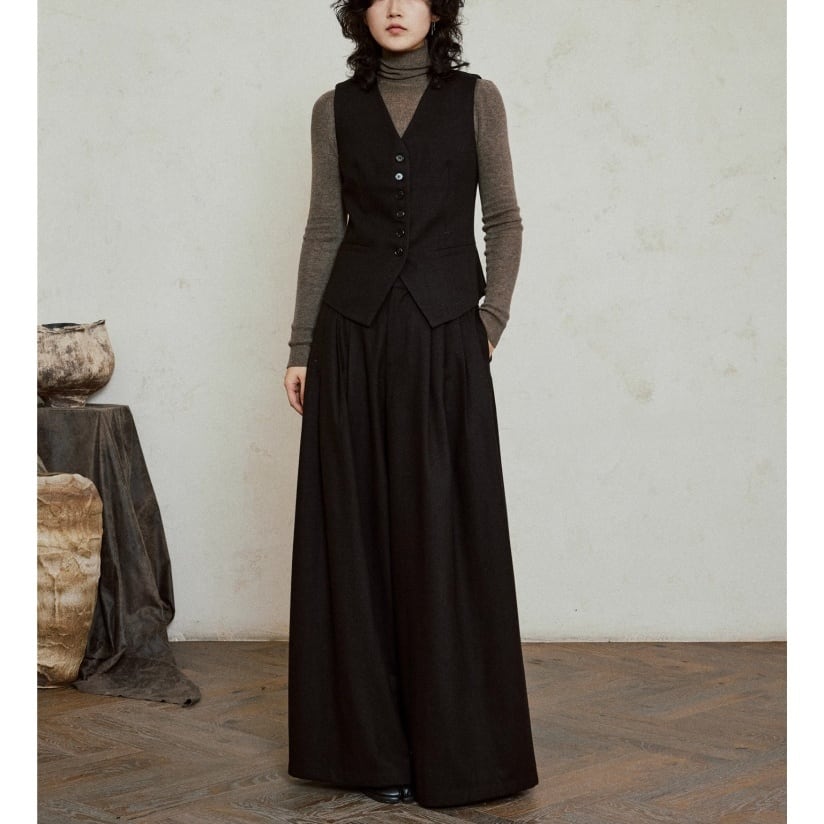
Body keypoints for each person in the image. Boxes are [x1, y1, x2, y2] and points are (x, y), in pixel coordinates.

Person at [282, 0, 538, 809]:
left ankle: (457, 751)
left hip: (443, 338)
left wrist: (489, 319)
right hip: (351, 339)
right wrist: (301, 346)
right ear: (359, 12)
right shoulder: (333, 110)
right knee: (357, 539)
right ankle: (369, 752)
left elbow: (504, 218)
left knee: (442, 532)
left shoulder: (476, 99)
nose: (395, 7)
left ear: (438, 10)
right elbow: (324, 229)